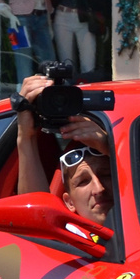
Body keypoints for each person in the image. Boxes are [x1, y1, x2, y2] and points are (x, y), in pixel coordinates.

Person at [15, 74, 114, 226]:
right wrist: (25, 136)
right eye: (83, 182)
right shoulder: (66, 245)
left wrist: (108, 147)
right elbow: (36, 221)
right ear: (69, 202)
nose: (98, 188)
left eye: (107, 175)